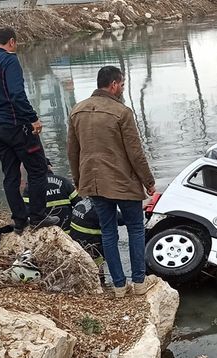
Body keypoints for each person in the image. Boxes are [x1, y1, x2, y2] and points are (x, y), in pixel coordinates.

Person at [67, 65, 156, 298]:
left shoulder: (77, 111)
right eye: (123, 84)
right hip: (123, 182)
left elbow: (72, 153)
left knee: (108, 232)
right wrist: (148, 181)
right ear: (114, 85)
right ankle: (138, 282)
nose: (122, 88)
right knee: (136, 229)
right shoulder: (122, 112)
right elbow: (135, 153)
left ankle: (118, 286)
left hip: (94, 183)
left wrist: (79, 180)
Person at [0, 27, 58, 233]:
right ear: (11, 41)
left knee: (10, 175)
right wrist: (33, 118)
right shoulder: (10, 60)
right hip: (17, 127)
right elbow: (17, 95)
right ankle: (37, 216)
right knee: (38, 170)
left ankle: (20, 220)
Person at [69, 196, 123, 287]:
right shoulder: (99, 207)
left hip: (75, 243)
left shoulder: (83, 202)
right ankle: (100, 279)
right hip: (91, 245)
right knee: (107, 246)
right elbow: (121, 219)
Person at [22, 159, 78, 230]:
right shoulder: (65, 182)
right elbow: (78, 205)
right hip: (67, 231)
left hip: (44, 233)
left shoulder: (30, 187)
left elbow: (25, 211)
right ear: (49, 167)